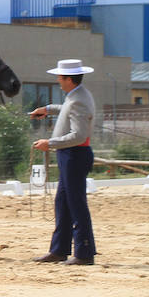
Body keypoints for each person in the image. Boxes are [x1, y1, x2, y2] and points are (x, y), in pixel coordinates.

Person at [29, 58, 97, 266]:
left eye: (60, 77)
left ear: (68, 79)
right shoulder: (76, 95)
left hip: (74, 155)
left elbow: (78, 135)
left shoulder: (78, 99)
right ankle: (59, 250)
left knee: (76, 204)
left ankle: (84, 252)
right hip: (71, 155)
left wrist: (49, 143)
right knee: (64, 203)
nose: (58, 80)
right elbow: (67, 108)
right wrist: (48, 109)